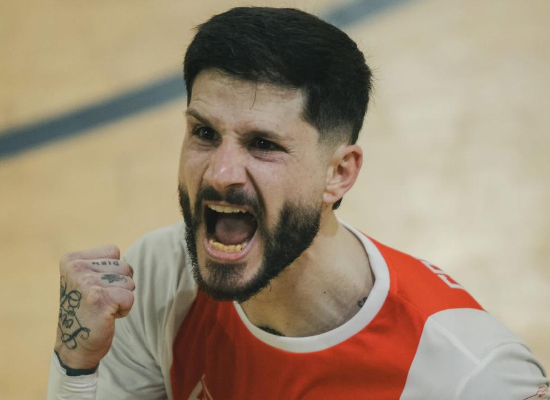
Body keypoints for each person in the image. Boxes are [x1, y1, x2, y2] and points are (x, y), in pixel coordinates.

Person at [47, 7, 549, 400]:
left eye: (263, 144)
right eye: (204, 133)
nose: (220, 173)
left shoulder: (471, 377)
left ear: (339, 174)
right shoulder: (158, 278)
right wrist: (77, 368)